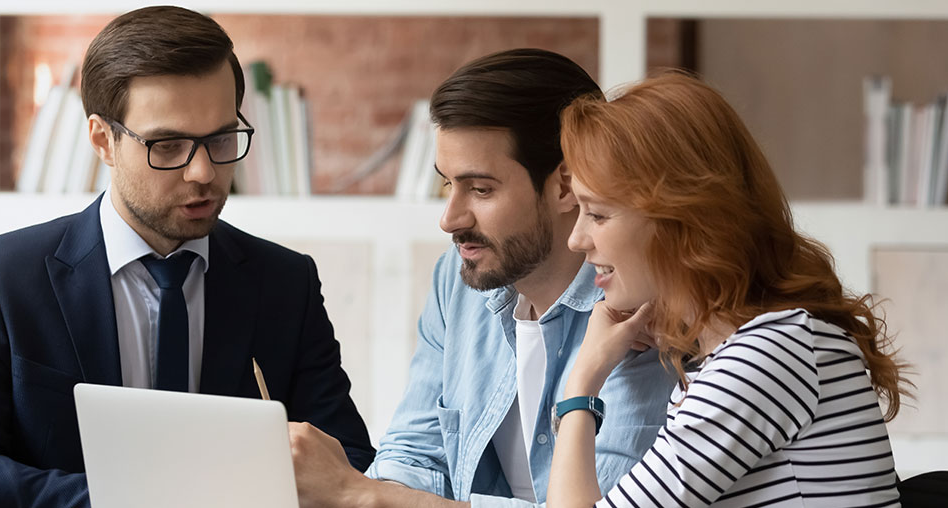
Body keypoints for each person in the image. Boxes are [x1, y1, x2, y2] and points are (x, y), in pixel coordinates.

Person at [0, 6, 373, 507]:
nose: (203, 171)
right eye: (169, 144)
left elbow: (348, 462)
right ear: (103, 141)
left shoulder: (286, 283)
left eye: (221, 138)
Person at [288, 49, 676, 507]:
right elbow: (415, 455)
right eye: (447, 184)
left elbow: (607, 504)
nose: (450, 219)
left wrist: (360, 495)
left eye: (480, 189)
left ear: (565, 186)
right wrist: (365, 493)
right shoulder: (459, 282)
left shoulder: (638, 303)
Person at [545, 72, 910, 507]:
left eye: (598, 215)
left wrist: (583, 380)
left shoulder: (770, 355)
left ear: (683, 220)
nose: (577, 238)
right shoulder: (733, 357)